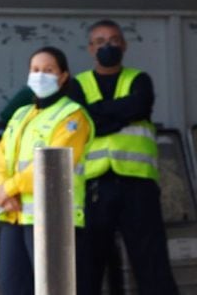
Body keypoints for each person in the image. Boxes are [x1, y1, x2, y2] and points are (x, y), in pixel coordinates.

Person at [72, 19, 178, 294]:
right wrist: (120, 113)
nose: (108, 46)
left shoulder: (139, 79)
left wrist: (99, 116)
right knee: (87, 265)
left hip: (137, 184)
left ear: (125, 45)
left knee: (151, 262)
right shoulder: (77, 85)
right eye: (100, 42)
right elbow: (83, 119)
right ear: (90, 48)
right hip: (94, 187)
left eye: (114, 40)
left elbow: (139, 105)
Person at [0, 46, 93, 295]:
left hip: (52, 218)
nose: (40, 75)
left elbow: (52, 165)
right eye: (35, 69)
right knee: (12, 286)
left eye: (49, 70)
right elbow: (1, 155)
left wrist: (10, 188)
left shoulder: (72, 116)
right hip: (15, 215)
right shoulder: (21, 114)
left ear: (63, 76)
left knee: (53, 289)